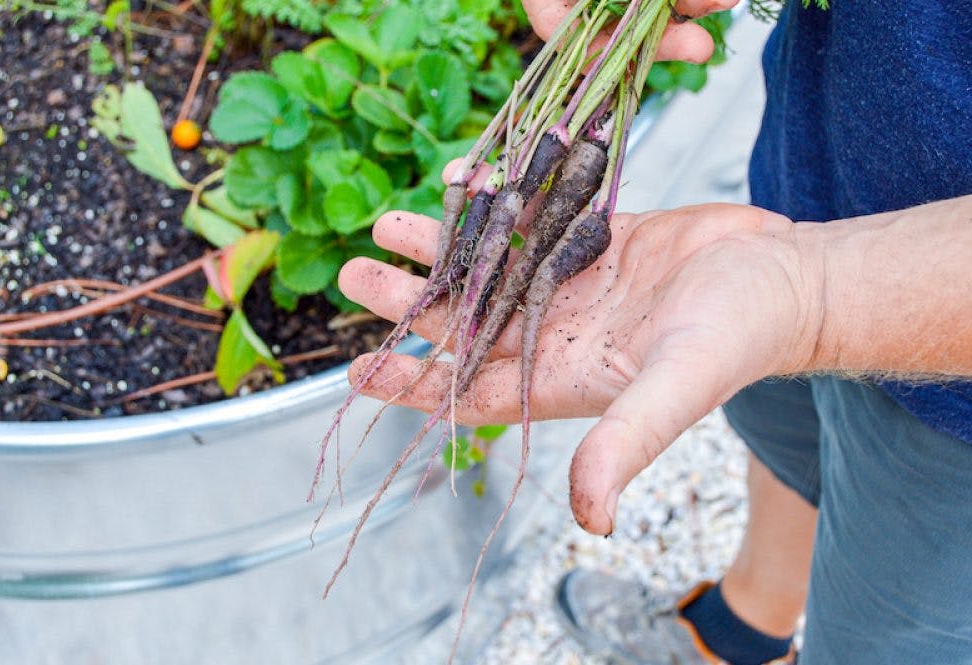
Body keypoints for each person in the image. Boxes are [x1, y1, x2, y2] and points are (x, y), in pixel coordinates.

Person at [337, 0, 972, 663]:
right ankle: (741, 631)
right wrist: (801, 287)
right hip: (809, 176)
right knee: (792, 444)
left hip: (950, 383)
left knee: (885, 630)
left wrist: (810, 297)